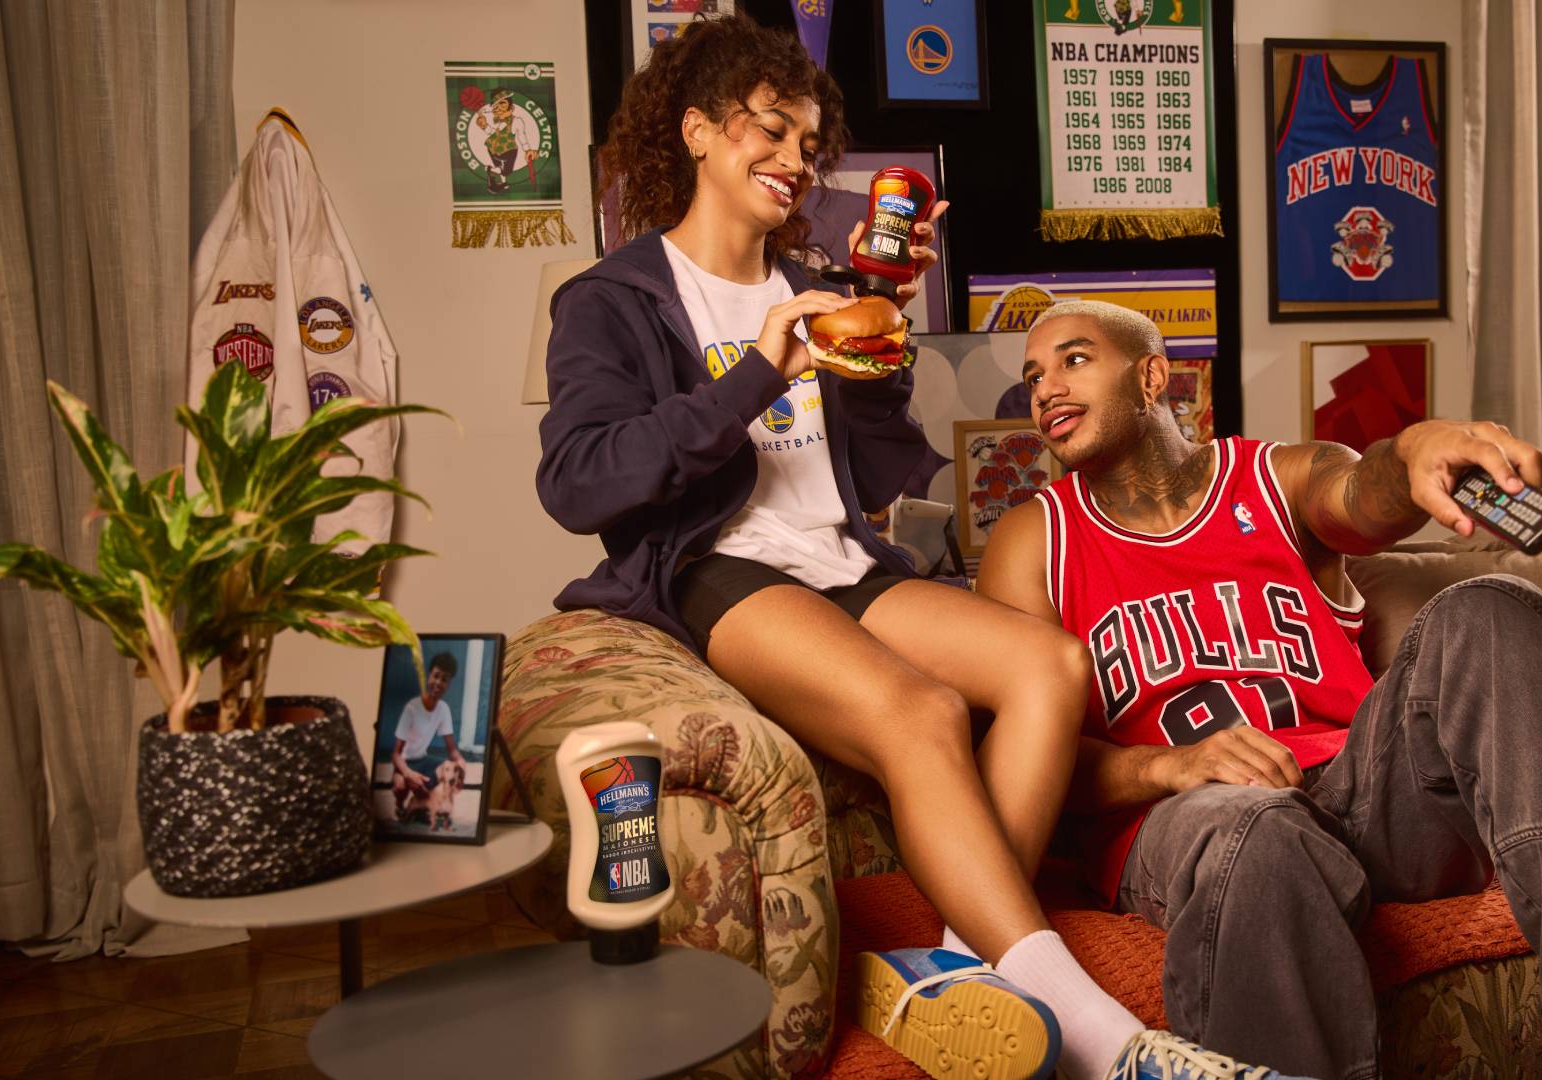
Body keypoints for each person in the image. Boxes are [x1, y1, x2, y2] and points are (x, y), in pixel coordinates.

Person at [535, 17, 1283, 1080]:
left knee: (1050, 665)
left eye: (806, 141)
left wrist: (877, 338)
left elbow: (885, 470)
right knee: (924, 711)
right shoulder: (611, 300)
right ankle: (1106, 1043)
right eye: (767, 130)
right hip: (716, 571)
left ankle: (949, 968)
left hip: (846, 565)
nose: (794, 161)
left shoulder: (821, 284)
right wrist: (759, 369)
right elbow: (581, 481)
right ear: (696, 131)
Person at [979, 300, 1542, 1080]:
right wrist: (1169, 766)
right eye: (1032, 375)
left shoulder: (1272, 478)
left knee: (1488, 609)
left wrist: (1416, 449)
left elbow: (1362, 495)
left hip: (1363, 795)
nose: (1045, 388)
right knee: (1252, 829)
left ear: (1152, 375)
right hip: (1191, 820)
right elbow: (1023, 766)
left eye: (1073, 359)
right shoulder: (1031, 542)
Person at [391, 651, 467, 822]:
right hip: (405, 763)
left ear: (449, 684)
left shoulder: (443, 709)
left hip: (423, 760)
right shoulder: (412, 708)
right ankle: (400, 806)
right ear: (429, 676)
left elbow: (452, 750)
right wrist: (408, 773)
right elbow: (396, 754)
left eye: (445, 679)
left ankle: (428, 807)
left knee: (447, 770)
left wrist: (461, 767)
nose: (439, 683)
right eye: (436, 676)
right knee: (401, 784)